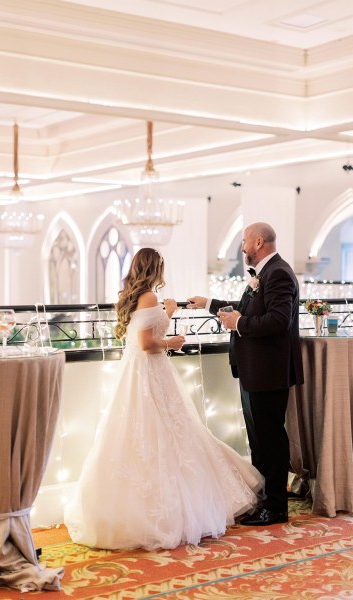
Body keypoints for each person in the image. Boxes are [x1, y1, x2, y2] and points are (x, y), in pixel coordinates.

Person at [64, 247, 263, 550]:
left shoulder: (135, 296)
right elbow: (146, 343)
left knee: (155, 433)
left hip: (141, 372)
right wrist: (172, 341)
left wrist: (168, 313)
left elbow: (141, 332)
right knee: (164, 433)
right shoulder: (148, 297)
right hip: (149, 370)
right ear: (155, 268)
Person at [188, 222, 303, 526]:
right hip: (255, 370)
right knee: (259, 441)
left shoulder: (278, 273)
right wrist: (209, 304)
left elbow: (277, 320)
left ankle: (277, 507)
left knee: (271, 440)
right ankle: (264, 500)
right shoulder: (261, 275)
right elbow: (244, 310)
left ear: (258, 242)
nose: (242, 248)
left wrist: (239, 324)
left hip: (269, 370)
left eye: (244, 242)